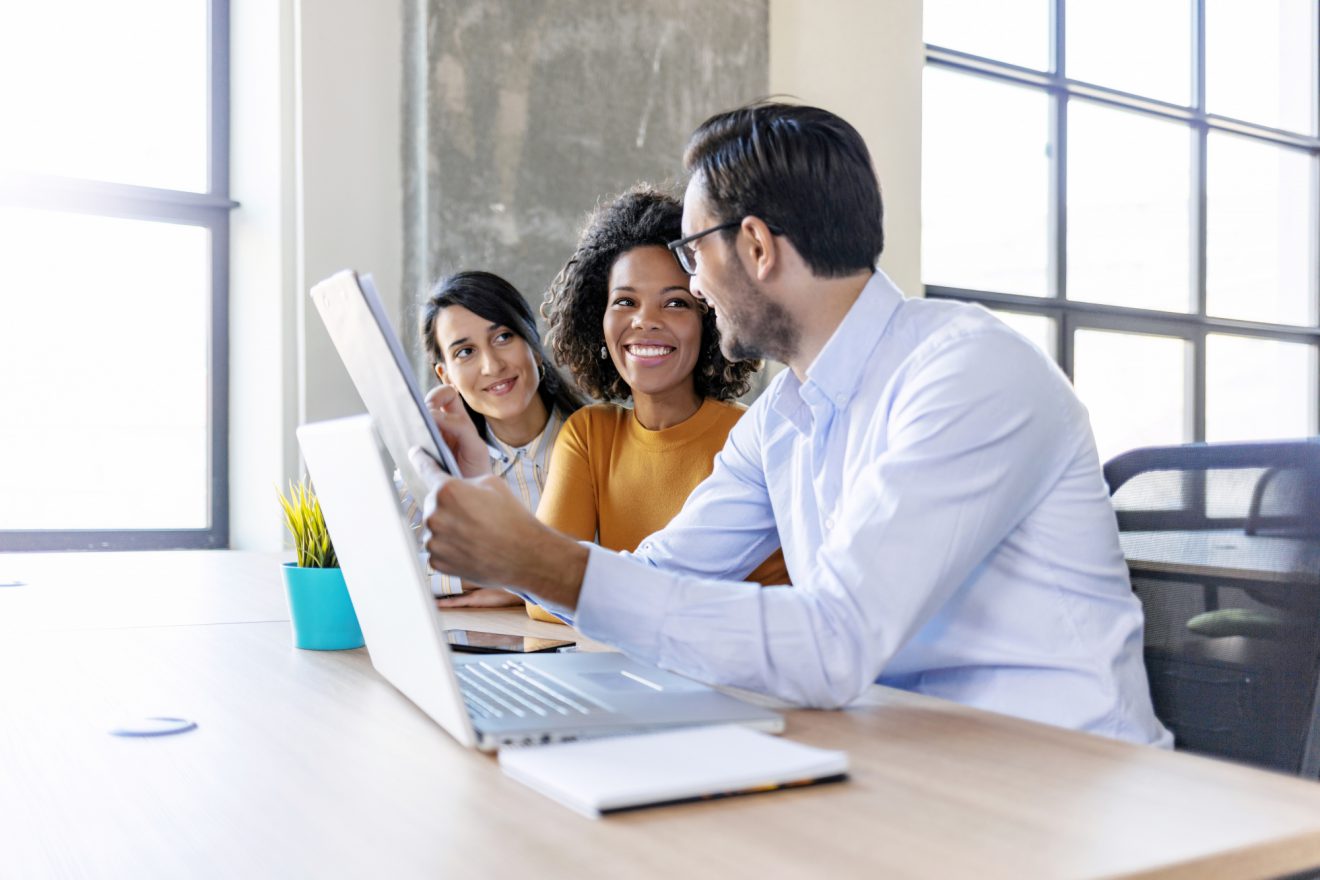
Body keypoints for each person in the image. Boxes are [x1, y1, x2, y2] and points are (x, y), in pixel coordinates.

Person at [413, 102, 1172, 746]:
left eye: (691, 253)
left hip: (1064, 781)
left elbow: (833, 641)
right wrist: (508, 532)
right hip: (907, 757)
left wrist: (542, 563)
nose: (694, 285)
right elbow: (654, 579)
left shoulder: (968, 373)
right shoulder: (782, 418)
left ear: (755, 246)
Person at [524, 186, 789, 622]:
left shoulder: (751, 439)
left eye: (675, 303)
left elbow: (565, 591)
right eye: (625, 301)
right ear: (597, 319)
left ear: (709, 319)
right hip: (629, 656)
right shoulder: (589, 436)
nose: (645, 320)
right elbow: (543, 595)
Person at [415, 270, 584, 607]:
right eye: (465, 352)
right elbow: (387, 566)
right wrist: (524, 581)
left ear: (534, 346)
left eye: (504, 337)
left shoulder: (600, 444)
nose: (492, 365)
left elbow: (630, 566)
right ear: (446, 376)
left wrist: (516, 586)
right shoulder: (444, 461)